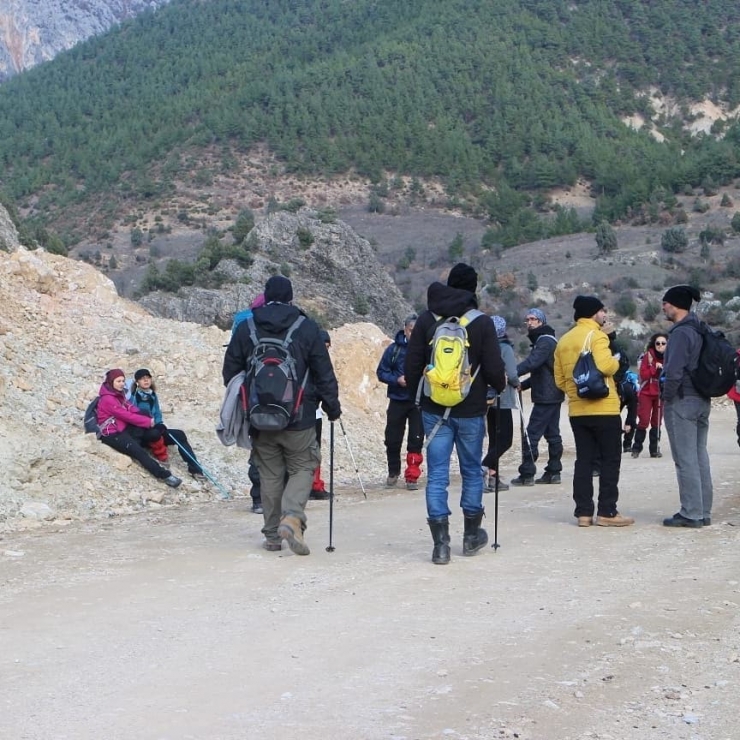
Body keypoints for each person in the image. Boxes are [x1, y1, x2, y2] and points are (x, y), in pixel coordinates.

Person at [222, 275, 341, 555]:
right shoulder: (307, 327)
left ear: (265, 295)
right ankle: (292, 517)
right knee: (303, 466)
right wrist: (332, 406)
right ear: (290, 297)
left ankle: (273, 536)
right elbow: (324, 372)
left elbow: (230, 372)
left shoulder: (246, 327)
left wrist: (249, 400)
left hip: (259, 418)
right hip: (299, 415)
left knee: (270, 474)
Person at [406, 263, 506, 564]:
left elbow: (411, 366)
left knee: (437, 476)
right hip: (472, 410)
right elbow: (494, 369)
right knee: (471, 471)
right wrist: (496, 388)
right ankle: (472, 535)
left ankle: (441, 546)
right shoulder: (481, 323)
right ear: (473, 288)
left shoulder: (427, 320)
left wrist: (421, 396)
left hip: (435, 410)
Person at [553, 296, 634, 527]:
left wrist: (575, 391)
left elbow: (559, 379)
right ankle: (607, 511)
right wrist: (616, 362)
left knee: (584, 460)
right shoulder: (597, 336)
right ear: (593, 313)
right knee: (610, 459)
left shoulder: (564, 340)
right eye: (601, 311)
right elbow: (606, 366)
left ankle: (583, 513)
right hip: (604, 408)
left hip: (578, 411)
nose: (604, 315)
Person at [660, 285, 712, 528]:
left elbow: (674, 372)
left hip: (683, 400)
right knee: (700, 455)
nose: (663, 307)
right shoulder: (701, 329)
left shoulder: (681, 333)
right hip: (702, 399)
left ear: (676, 305)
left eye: (666, 303)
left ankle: (691, 513)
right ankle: (703, 511)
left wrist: (666, 398)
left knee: (685, 458)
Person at [96, 368, 182, 488]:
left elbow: (130, 407)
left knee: (144, 415)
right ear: (111, 382)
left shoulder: (117, 394)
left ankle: (150, 445)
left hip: (123, 428)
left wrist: (146, 416)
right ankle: (166, 476)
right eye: (118, 381)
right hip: (113, 434)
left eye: (123, 381)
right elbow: (126, 415)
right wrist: (147, 422)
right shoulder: (108, 399)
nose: (121, 384)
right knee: (139, 452)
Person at [511, 308, 564, 486]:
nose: (529, 322)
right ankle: (554, 471)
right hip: (553, 394)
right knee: (552, 434)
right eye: (527, 319)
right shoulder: (547, 340)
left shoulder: (545, 341)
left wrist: (510, 373)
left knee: (531, 434)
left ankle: (527, 474)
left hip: (546, 396)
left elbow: (532, 363)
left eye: (533, 319)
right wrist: (523, 386)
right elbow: (540, 372)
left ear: (541, 322)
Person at [376, 314, 424, 490]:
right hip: (397, 399)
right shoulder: (393, 350)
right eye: (411, 331)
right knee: (392, 438)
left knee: (416, 439)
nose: (414, 334)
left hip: (418, 401)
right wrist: (397, 380)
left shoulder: (426, 350)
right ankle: (393, 471)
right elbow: (381, 372)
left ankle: (412, 476)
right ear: (405, 329)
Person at [130, 368, 204, 477]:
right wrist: (149, 424)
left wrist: (159, 424)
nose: (146, 381)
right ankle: (160, 456)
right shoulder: (133, 397)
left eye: (148, 378)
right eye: (142, 379)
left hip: (155, 429)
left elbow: (157, 412)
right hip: (143, 433)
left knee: (179, 434)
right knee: (154, 434)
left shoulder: (153, 395)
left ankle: (195, 469)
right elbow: (132, 416)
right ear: (137, 382)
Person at [481, 316, 519, 492]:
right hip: (503, 399)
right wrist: (518, 383)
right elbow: (511, 374)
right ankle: (483, 468)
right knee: (505, 440)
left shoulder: (483, 347)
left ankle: (493, 477)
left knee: (494, 440)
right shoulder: (505, 348)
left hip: (488, 400)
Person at [631, 333, 668, 458]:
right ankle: (636, 448)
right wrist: (654, 368)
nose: (660, 346)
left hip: (659, 393)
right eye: (658, 343)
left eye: (663, 343)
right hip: (646, 393)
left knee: (657, 422)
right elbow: (644, 375)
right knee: (644, 420)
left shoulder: (669, 358)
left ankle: (654, 449)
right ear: (654, 344)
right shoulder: (649, 356)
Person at [308, 329, 333, 500]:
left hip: (315, 412)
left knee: (315, 450)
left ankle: (315, 486)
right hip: (303, 412)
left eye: (328, 347)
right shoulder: (307, 361)